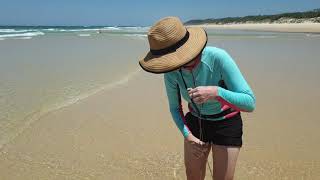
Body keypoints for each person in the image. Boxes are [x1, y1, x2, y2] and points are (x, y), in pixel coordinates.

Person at [139, 17, 256, 180]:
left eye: (191, 55)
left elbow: (250, 102)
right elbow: (175, 107)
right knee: (192, 176)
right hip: (194, 120)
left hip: (226, 123)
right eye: (180, 62)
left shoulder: (218, 58)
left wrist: (217, 93)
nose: (189, 62)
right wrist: (188, 135)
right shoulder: (171, 72)